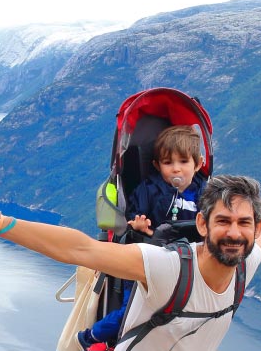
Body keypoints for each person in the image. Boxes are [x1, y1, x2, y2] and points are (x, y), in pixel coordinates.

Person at [0, 156, 261, 351]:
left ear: (254, 228)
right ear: (201, 225)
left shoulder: (247, 262)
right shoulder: (168, 268)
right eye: (223, 220)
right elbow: (80, 248)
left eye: (244, 223)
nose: (234, 232)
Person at [79, 125, 208, 349]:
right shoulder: (149, 190)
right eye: (168, 163)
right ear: (158, 166)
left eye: (183, 162)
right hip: (147, 256)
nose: (176, 170)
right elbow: (132, 218)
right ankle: (91, 336)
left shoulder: (203, 193)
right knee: (132, 310)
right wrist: (140, 226)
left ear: (198, 164)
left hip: (185, 263)